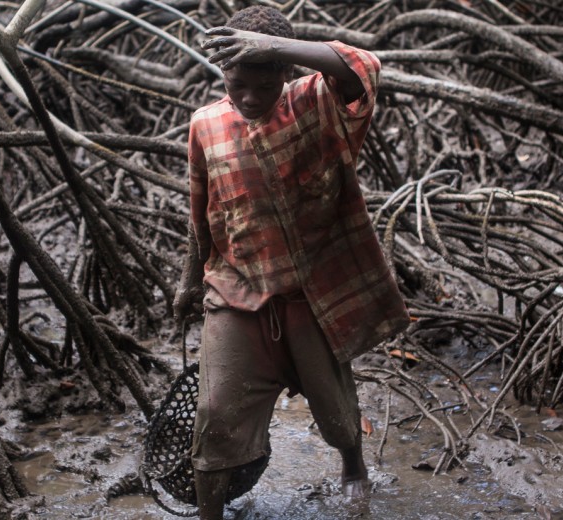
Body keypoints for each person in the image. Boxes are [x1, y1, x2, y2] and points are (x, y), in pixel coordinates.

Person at [172, 5, 410, 519]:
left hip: (310, 293)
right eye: (238, 85)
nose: (251, 97)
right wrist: (189, 281)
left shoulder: (317, 102)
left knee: (337, 410)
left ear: (286, 72)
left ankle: (353, 467)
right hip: (236, 292)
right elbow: (201, 212)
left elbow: (363, 65)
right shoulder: (205, 126)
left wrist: (272, 47)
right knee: (215, 413)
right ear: (223, 75)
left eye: (265, 84)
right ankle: (209, 513)